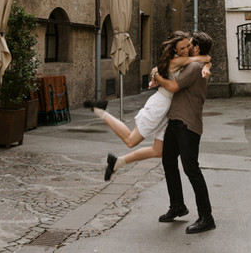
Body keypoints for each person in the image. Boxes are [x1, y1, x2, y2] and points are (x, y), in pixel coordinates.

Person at [84, 31, 211, 180]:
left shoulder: (184, 60)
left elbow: (201, 60)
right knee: (131, 140)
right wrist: (207, 64)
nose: (186, 50)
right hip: (160, 105)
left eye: (187, 46)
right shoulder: (178, 60)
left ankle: (117, 162)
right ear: (174, 49)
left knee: (158, 151)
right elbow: (204, 58)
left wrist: (207, 65)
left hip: (170, 111)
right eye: (182, 48)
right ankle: (100, 111)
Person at [153, 31, 215, 234]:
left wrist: (156, 76)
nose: (187, 47)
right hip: (176, 121)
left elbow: (172, 87)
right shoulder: (195, 64)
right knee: (169, 162)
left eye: (190, 45)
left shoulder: (195, 68)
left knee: (191, 169)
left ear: (196, 48)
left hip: (188, 124)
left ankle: (207, 217)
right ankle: (177, 206)